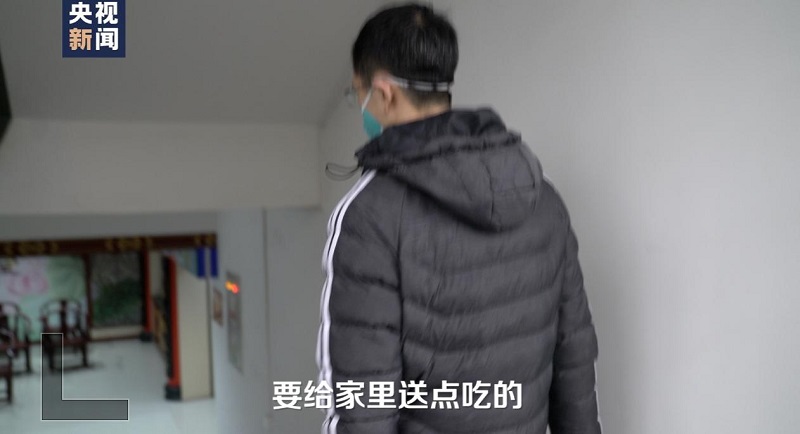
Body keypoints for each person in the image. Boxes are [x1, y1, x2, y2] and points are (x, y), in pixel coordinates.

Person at [316, 3, 601, 433]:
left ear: (384, 92)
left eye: (358, 92)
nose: (360, 103)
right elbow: (574, 359)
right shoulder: (543, 197)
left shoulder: (369, 216)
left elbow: (362, 401)